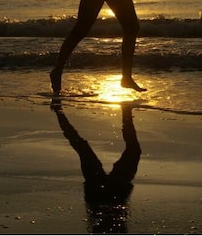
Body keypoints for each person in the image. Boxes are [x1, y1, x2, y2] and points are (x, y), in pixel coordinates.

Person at [50, 99, 141, 233]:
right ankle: (58, 111)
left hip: (102, 194)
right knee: (83, 147)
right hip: (106, 194)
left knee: (82, 147)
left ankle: (59, 111)